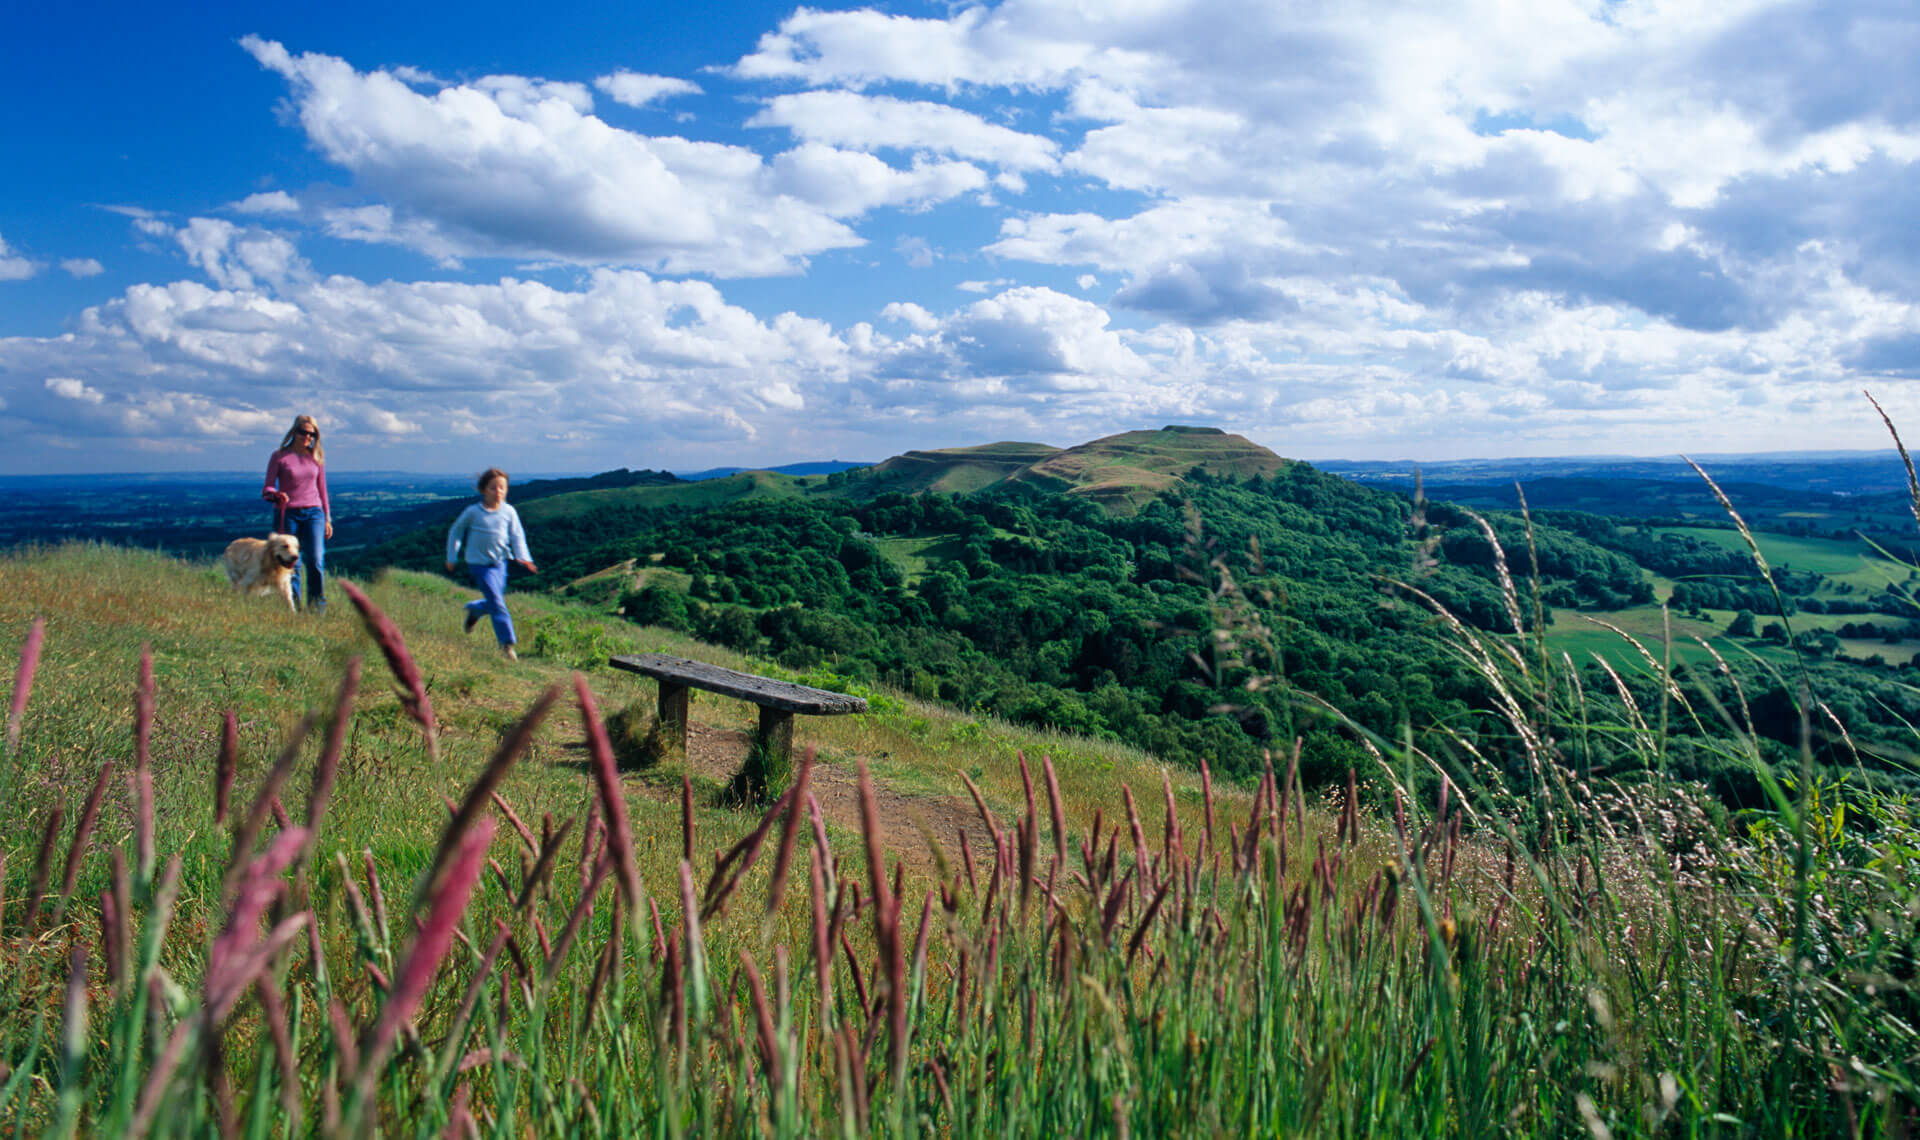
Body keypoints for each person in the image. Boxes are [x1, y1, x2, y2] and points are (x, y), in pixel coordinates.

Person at [446, 467, 537, 660]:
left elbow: (517, 535)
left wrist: (525, 558)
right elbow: (456, 531)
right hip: (479, 564)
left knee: (495, 602)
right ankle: (506, 645)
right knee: (498, 603)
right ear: (483, 490)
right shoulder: (473, 512)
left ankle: (476, 610)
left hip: (500, 564)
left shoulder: (509, 512)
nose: (498, 492)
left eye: (502, 488)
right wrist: (451, 557)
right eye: (493, 488)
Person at [260, 415, 333, 614]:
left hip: (314, 513)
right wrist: (275, 495)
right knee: (292, 563)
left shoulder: (316, 457)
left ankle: (317, 609)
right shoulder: (279, 456)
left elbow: (322, 490)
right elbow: (267, 487)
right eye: (304, 432)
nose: (307, 437)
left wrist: (327, 518)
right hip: (287, 513)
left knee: (316, 560)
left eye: (312, 434)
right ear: (294, 432)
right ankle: (293, 609)